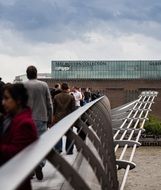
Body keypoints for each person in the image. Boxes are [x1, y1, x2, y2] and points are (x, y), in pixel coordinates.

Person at [0, 83, 38, 190]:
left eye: (7, 98)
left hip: (14, 180)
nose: (3, 102)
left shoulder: (24, 124)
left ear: (18, 100)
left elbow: (16, 153)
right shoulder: (11, 118)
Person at [24, 65, 53, 180]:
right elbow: (49, 103)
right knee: (41, 145)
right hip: (41, 118)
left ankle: (29, 169)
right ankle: (40, 164)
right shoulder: (44, 85)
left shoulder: (22, 86)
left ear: (27, 74)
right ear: (36, 74)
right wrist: (50, 118)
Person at [53, 83, 75, 154]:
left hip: (58, 117)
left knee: (58, 134)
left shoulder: (56, 97)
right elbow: (73, 109)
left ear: (61, 88)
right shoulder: (71, 97)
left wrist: (53, 117)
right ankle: (69, 150)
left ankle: (58, 148)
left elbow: (54, 108)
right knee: (70, 134)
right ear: (67, 88)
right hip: (69, 118)